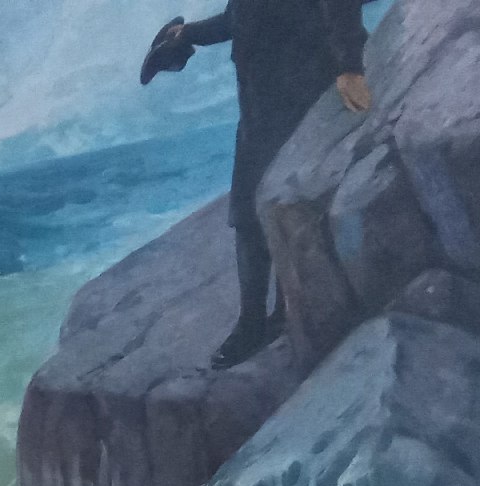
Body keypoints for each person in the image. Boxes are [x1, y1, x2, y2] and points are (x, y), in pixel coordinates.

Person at [142, 1, 371, 368]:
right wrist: (189, 34)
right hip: (261, 98)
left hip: (302, 84)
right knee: (251, 213)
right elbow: (238, 18)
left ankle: (261, 321)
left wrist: (350, 66)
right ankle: (262, 317)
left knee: (268, 209)